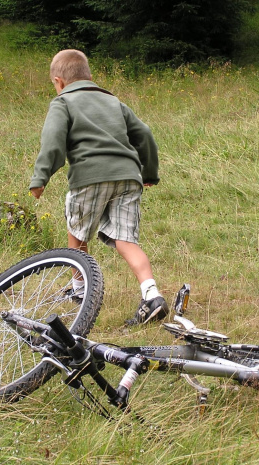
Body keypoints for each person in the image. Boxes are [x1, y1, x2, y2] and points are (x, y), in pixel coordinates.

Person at [29, 49, 168, 325]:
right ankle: (151, 294)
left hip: (90, 176)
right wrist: (149, 172)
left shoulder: (63, 102)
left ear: (58, 82)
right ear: (90, 76)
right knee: (126, 239)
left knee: (77, 233)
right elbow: (145, 134)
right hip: (129, 176)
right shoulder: (113, 101)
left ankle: (80, 292)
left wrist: (40, 178)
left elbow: (53, 140)